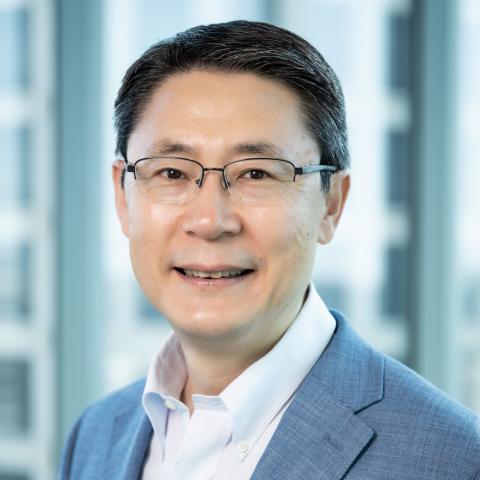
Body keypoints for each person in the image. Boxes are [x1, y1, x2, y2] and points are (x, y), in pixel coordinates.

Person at [58, 21, 480, 480]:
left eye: (257, 173)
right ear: (123, 198)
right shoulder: (96, 435)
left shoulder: (452, 458)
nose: (210, 221)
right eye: (172, 173)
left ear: (331, 204)